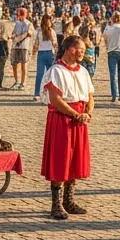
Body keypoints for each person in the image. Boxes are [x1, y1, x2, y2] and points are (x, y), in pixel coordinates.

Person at [40, 35, 94, 219]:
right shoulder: (56, 71)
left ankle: (68, 200)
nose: (82, 53)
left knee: (75, 159)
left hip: (80, 119)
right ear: (69, 49)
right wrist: (75, 114)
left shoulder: (83, 72)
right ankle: (56, 203)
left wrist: (88, 113)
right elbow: (56, 100)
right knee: (60, 159)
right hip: (62, 119)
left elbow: (90, 96)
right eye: (79, 49)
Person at [103, 12, 120, 103]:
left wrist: (109, 46)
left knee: (113, 75)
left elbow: (105, 39)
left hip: (111, 52)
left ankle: (114, 95)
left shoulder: (108, 29)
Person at [33, 13, 58, 103]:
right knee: (39, 74)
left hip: (50, 53)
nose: (49, 22)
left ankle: (51, 94)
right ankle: (37, 94)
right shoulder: (40, 31)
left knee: (51, 75)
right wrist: (33, 52)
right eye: (48, 21)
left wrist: (56, 53)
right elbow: (36, 43)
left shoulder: (52, 31)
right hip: (42, 53)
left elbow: (55, 44)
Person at [9, 6, 32, 90]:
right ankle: (16, 81)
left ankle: (23, 83)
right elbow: (14, 32)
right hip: (15, 46)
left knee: (24, 65)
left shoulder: (29, 23)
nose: (20, 15)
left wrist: (19, 40)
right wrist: (12, 36)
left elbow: (28, 34)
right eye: (20, 13)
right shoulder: (17, 23)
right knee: (14, 64)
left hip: (24, 46)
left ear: (26, 15)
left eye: (22, 14)